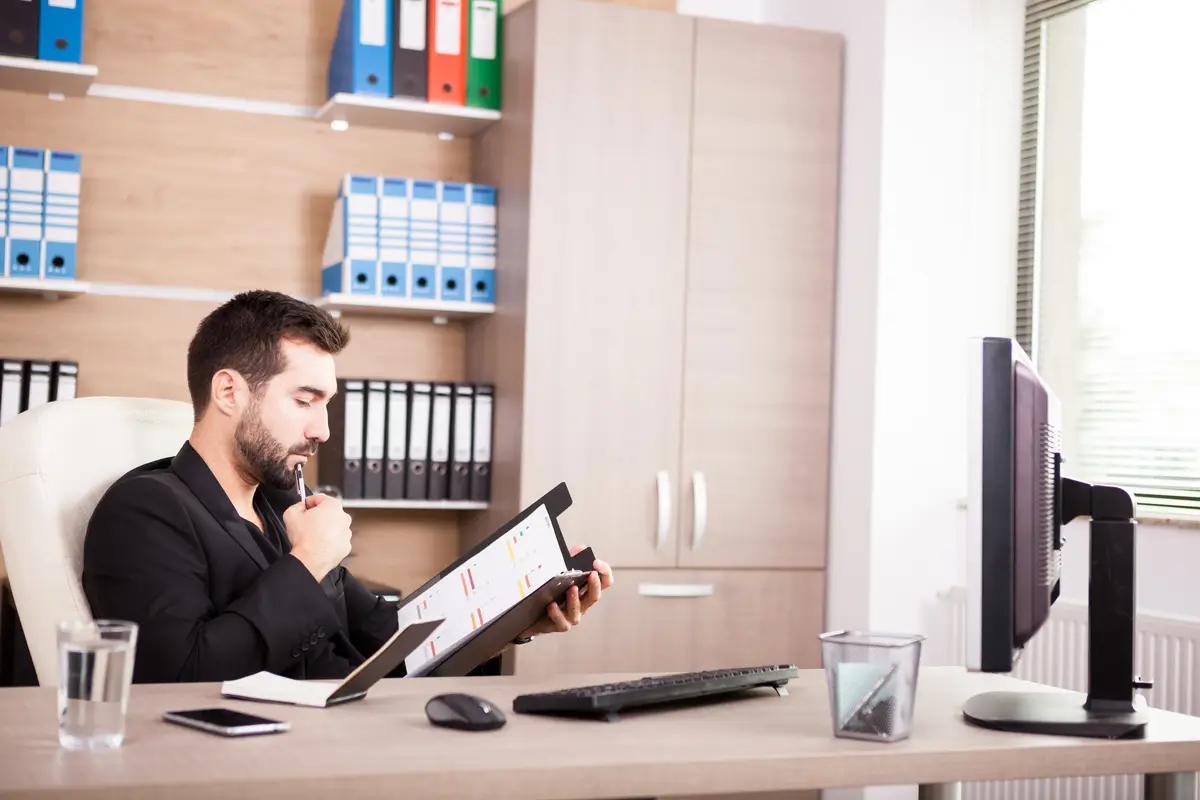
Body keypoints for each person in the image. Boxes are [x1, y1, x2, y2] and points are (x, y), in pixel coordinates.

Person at [81, 289, 613, 684]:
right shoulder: (145, 511)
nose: (323, 430)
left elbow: (390, 639)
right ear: (228, 392)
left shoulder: (283, 504)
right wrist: (309, 561)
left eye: (326, 403)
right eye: (304, 400)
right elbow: (180, 678)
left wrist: (517, 613)